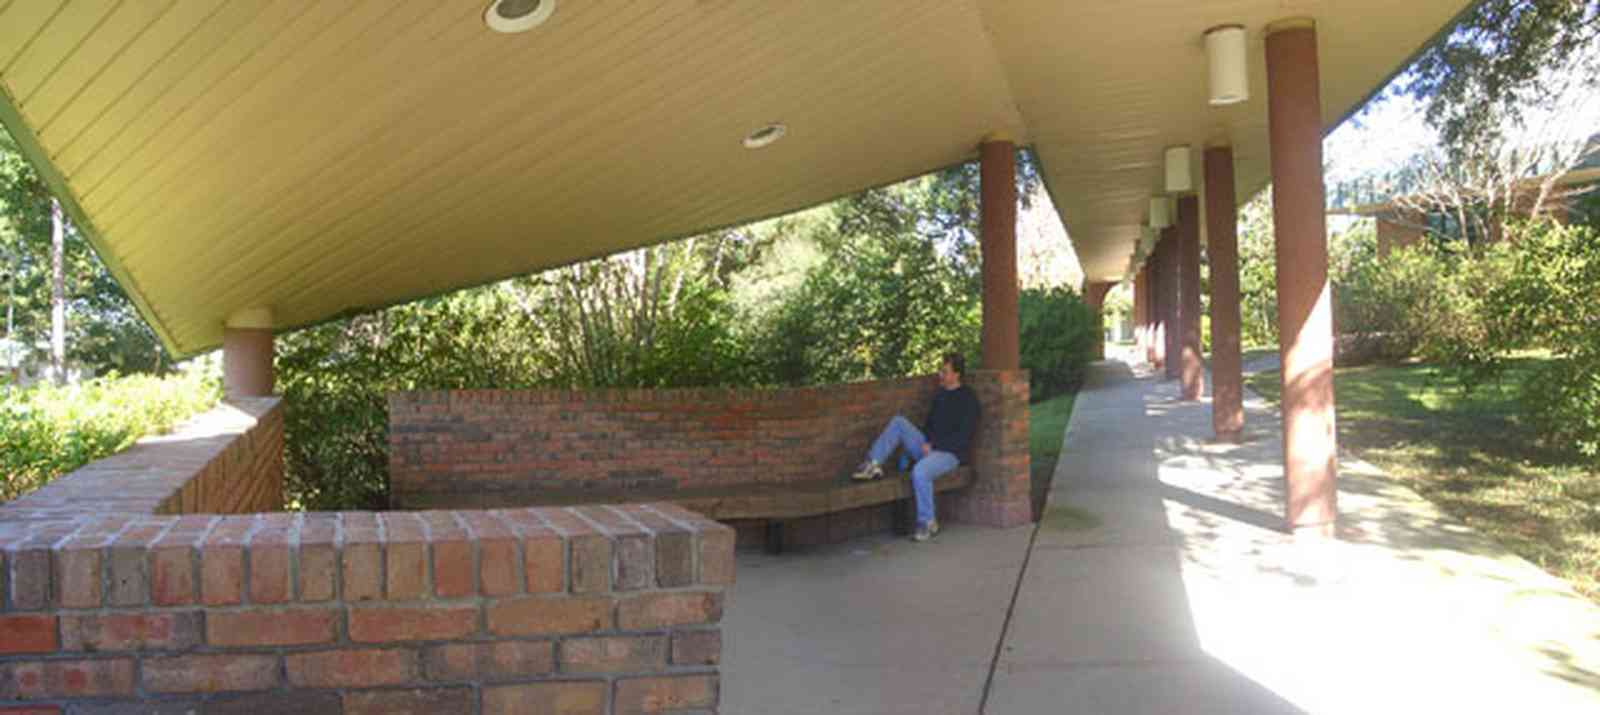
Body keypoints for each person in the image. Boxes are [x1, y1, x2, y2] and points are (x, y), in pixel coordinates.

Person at [851, 352, 979, 542]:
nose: (940, 375)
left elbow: (963, 436)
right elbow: (929, 427)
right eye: (941, 371)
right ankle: (873, 463)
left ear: (956, 374)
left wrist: (934, 445)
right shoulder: (940, 396)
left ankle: (927, 522)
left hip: (950, 455)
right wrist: (917, 447)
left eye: (945, 372)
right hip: (930, 448)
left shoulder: (968, 399)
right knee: (899, 422)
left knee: (919, 472)